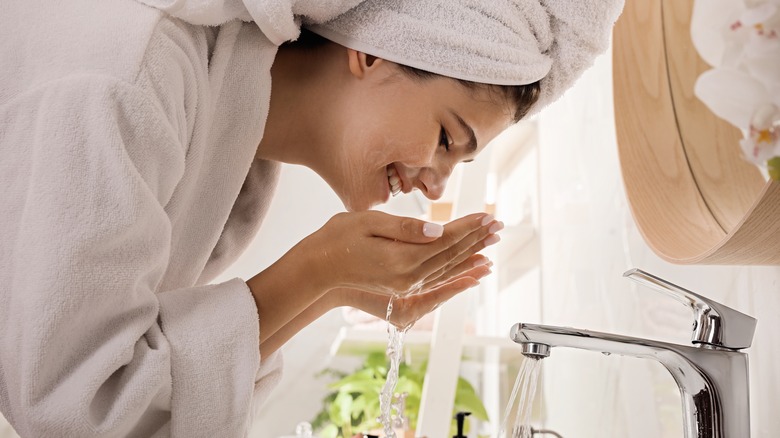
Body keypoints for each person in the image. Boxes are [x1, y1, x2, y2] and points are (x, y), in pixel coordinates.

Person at [0, 0, 623, 436]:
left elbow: (129, 392)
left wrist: (328, 290)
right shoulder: (132, 77)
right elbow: (72, 403)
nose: (435, 183)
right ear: (376, 55)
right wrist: (314, 271)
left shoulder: (239, 158)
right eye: (445, 138)